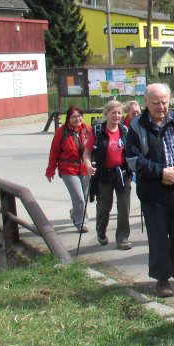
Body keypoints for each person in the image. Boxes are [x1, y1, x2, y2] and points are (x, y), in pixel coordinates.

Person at [126, 83, 174, 299]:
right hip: (153, 190)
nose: (161, 106)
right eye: (156, 102)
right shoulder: (136, 126)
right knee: (158, 236)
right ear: (146, 102)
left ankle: (173, 256)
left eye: (165, 102)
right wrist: (161, 172)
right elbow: (132, 160)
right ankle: (162, 279)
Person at [84, 100, 133, 250]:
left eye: (119, 113)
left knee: (124, 207)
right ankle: (101, 231)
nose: (117, 116)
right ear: (106, 114)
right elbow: (87, 152)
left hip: (122, 174)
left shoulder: (125, 130)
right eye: (113, 113)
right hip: (104, 175)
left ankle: (122, 238)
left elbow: (131, 151)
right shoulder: (98, 131)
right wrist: (87, 166)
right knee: (104, 207)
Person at [45, 105, 92, 233]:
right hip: (68, 169)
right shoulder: (62, 131)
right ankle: (81, 223)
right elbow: (54, 151)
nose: (77, 119)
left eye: (79, 116)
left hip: (85, 168)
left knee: (84, 197)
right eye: (74, 117)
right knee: (79, 197)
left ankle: (75, 212)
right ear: (68, 119)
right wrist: (50, 170)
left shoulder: (87, 129)